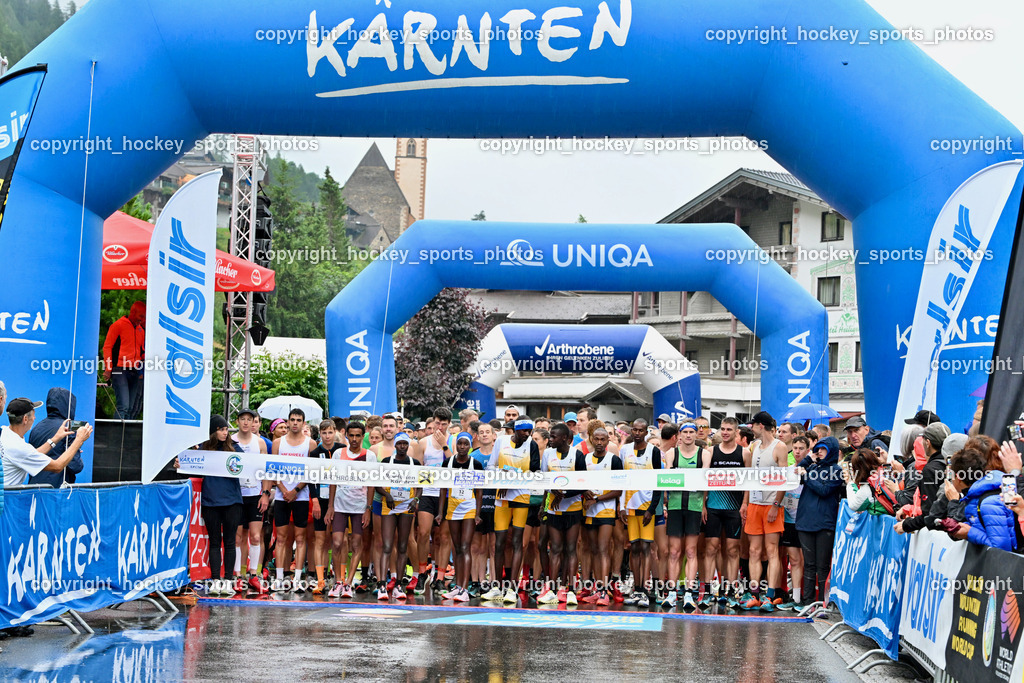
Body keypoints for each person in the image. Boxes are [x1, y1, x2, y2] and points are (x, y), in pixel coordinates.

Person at [483, 418, 541, 604]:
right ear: (515, 430)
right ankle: (496, 586)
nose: (527, 435)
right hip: (502, 497)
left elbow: (535, 472)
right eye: (524, 431)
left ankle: (512, 587)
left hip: (521, 497)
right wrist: (503, 478)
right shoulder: (501, 441)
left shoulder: (531, 445)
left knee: (517, 542)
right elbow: (491, 466)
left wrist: (514, 478)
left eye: (529, 431)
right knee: (499, 543)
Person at [742, 412, 789, 612]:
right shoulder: (753, 447)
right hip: (754, 503)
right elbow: (750, 477)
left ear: (761, 426)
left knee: (771, 551)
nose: (750, 428)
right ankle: (754, 594)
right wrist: (745, 502)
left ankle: (770, 595)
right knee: (754, 551)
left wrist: (776, 505)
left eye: (753, 425)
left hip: (771, 505)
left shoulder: (779, 447)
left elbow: (784, 479)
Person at [538, 423, 587, 605]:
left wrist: (564, 493)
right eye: (550, 436)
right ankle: (552, 588)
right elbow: (544, 479)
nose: (550, 440)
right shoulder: (548, 455)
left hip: (573, 508)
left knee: (571, 548)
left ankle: (571, 590)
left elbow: (583, 483)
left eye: (553, 437)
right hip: (553, 509)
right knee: (556, 548)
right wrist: (546, 500)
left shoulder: (577, 455)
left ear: (565, 438)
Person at [699, 417, 744, 608]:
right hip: (714, 507)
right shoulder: (711, 451)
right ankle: (709, 591)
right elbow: (704, 478)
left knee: (732, 550)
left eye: (729, 430)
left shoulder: (744, 453)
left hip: (734, 507)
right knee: (711, 548)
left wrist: (745, 504)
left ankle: (731, 591)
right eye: (723, 429)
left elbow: (749, 481)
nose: (725, 432)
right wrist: (703, 504)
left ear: (736, 433)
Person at [270, 409, 317, 592]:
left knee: (300, 537)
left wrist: (296, 489)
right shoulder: (277, 443)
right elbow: (271, 469)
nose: (295, 423)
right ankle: (280, 577)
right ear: (287, 422)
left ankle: (298, 577)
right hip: (282, 495)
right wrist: (283, 490)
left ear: (304, 422)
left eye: (299, 420)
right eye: (292, 420)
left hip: (301, 496)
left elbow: (312, 472)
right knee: (281, 538)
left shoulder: (310, 444)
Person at [328, 421, 376, 598]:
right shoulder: (338, 453)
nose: (354, 439)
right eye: (351, 435)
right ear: (346, 435)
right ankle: (337, 581)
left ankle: (348, 583)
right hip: (340, 505)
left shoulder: (369, 456)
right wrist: (330, 506)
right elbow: (333, 480)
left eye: (358, 435)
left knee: (356, 544)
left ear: (363, 436)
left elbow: (371, 484)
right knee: (338, 542)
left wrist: (368, 509)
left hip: (359, 506)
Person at [197, 415, 244, 595]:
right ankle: (215, 580)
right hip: (211, 501)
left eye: (226, 429)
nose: (225, 432)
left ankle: (228, 581)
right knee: (215, 542)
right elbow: (188, 464)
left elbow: (247, 464)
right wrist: (180, 463)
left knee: (230, 542)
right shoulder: (203, 449)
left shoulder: (234, 447)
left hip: (232, 501)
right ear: (213, 431)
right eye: (221, 429)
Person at [795, 436, 844, 607]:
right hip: (805, 522)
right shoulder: (813, 466)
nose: (820, 452)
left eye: (823, 449)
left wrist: (807, 475)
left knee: (822, 566)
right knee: (809, 564)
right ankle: (808, 601)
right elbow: (796, 472)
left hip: (824, 523)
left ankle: (824, 602)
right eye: (818, 449)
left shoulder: (837, 470)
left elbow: (824, 490)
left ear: (831, 451)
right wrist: (808, 459)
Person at [619, 418, 663, 608]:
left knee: (646, 548)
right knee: (634, 548)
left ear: (646, 432)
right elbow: (620, 479)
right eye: (634, 430)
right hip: (629, 504)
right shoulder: (624, 451)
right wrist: (621, 506)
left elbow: (657, 482)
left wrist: (652, 509)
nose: (637, 433)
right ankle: (636, 589)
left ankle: (644, 590)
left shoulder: (654, 452)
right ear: (631, 431)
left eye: (641, 430)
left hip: (646, 507)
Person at [2, 397, 91, 488]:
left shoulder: (4, 432)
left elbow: (31, 454)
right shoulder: (19, 447)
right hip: (6, 499)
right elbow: (57, 466)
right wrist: (79, 440)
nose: (35, 418)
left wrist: (56, 438)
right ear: (25, 419)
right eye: (33, 415)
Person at [438, 432, 484, 602]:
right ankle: (457, 586)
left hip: (469, 507)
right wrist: (440, 512)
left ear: (470, 445)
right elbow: (443, 489)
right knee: (456, 547)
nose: (463, 447)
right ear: (456, 445)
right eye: (460, 444)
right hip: (452, 506)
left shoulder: (476, 464)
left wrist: (478, 513)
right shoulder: (447, 462)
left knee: (465, 546)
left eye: (466, 444)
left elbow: (479, 491)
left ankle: (464, 589)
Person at [580, 426, 622, 607]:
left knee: (604, 548)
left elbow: (618, 490)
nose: (599, 443)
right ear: (591, 440)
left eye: (602, 440)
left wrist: (596, 499)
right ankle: (597, 589)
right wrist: (585, 491)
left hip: (606, 509)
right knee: (594, 549)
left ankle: (604, 590)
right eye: (596, 439)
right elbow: (579, 481)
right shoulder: (585, 459)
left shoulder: (614, 460)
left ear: (608, 441)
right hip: (588, 510)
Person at [663, 423, 703, 610]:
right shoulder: (672, 454)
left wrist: (704, 506)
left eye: (691, 432)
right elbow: (667, 480)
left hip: (694, 506)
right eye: (685, 432)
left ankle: (688, 593)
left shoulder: (704, 454)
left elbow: (706, 483)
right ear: (679, 435)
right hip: (675, 505)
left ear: (696, 434)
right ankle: (672, 592)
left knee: (691, 551)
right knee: (674, 551)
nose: (688, 435)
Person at [376, 433, 420, 600]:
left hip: (406, 505)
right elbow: (376, 483)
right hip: (390, 505)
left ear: (408, 446)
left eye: (405, 444)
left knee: (402, 545)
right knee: (387, 545)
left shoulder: (414, 463)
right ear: (395, 445)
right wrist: (385, 495)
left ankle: (399, 584)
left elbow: (420, 484)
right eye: (399, 443)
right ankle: (381, 583)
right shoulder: (387, 462)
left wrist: (416, 499)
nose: (402, 446)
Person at [414, 408, 453, 594]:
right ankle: (422, 572)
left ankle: (440, 576)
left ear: (449, 424)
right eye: (438, 423)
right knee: (423, 533)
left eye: (444, 424)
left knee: (443, 537)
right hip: (428, 493)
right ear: (433, 422)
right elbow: (416, 471)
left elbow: (456, 465)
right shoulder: (423, 443)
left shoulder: (454, 442)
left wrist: (445, 445)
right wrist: (415, 495)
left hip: (446, 495)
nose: (440, 427)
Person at [232, 408, 268, 594]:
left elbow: (266, 470)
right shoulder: (230, 441)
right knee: (238, 537)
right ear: (237, 421)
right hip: (236, 495)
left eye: (249, 419)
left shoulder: (260, 443)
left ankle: (253, 574)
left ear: (254, 422)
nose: (246, 423)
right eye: (242, 419)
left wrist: (266, 493)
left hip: (255, 494)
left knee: (255, 536)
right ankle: (237, 575)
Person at [953, 448, 1016, 551]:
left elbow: (1000, 549)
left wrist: (970, 533)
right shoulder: (976, 497)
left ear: (958, 478)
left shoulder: (988, 504)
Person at [307, 419, 343, 594]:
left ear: (335, 432)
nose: (327, 436)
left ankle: (340, 578)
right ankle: (320, 580)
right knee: (320, 540)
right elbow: (311, 480)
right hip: (320, 500)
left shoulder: (342, 449)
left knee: (338, 541)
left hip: (340, 500)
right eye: (324, 433)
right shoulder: (314, 453)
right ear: (319, 434)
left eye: (330, 432)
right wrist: (314, 501)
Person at [27, 387, 84, 486]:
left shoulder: (37, 427)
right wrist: (76, 450)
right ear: (70, 405)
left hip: (34, 487)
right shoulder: (69, 427)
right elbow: (76, 466)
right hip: (56, 490)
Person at [101, 300, 146, 419]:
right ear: (133, 312)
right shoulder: (118, 325)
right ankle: (117, 436)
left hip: (134, 371)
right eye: (141, 316)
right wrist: (108, 368)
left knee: (130, 408)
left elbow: (141, 352)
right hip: (119, 370)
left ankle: (125, 436)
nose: (142, 319)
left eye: (144, 317)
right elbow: (107, 347)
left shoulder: (140, 330)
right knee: (124, 406)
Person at [469, 421, 498, 598]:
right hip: (478, 505)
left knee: (494, 547)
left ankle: (492, 583)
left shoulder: (500, 454)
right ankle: (476, 582)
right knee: (477, 547)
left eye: (488, 432)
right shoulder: (473, 456)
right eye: (482, 432)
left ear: (494, 435)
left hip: (496, 505)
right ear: (477, 436)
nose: (485, 435)